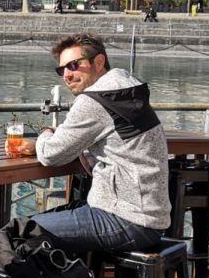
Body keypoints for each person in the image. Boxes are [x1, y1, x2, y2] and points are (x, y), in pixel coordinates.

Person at [30, 32, 170, 254]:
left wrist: (46, 132)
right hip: (152, 217)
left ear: (99, 62)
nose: (67, 75)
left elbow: (49, 155)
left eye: (74, 65)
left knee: (21, 233)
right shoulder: (127, 88)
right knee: (49, 224)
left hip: (125, 218)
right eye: (62, 69)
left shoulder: (95, 100)